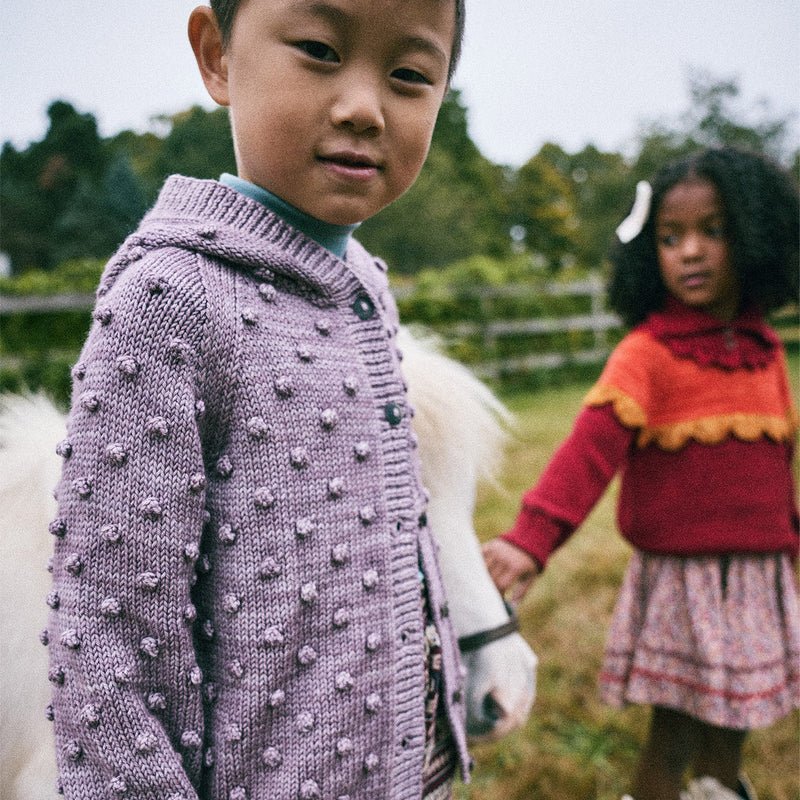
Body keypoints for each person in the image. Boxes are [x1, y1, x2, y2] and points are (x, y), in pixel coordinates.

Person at [44, 1, 469, 798]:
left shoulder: (364, 287)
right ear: (217, 56)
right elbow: (106, 646)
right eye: (318, 49)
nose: (363, 108)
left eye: (409, 75)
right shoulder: (171, 300)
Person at [482, 146, 799, 800]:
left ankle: (717, 791)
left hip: (757, 580)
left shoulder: (766, 353)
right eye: (669, 237)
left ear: (755, 233)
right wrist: (530, 539)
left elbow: (778, 474)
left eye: (713, 231)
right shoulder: (647, 354)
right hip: (681, 583)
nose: (690, 251)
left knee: (731, 729)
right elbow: (589, 452)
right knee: (673, 732)